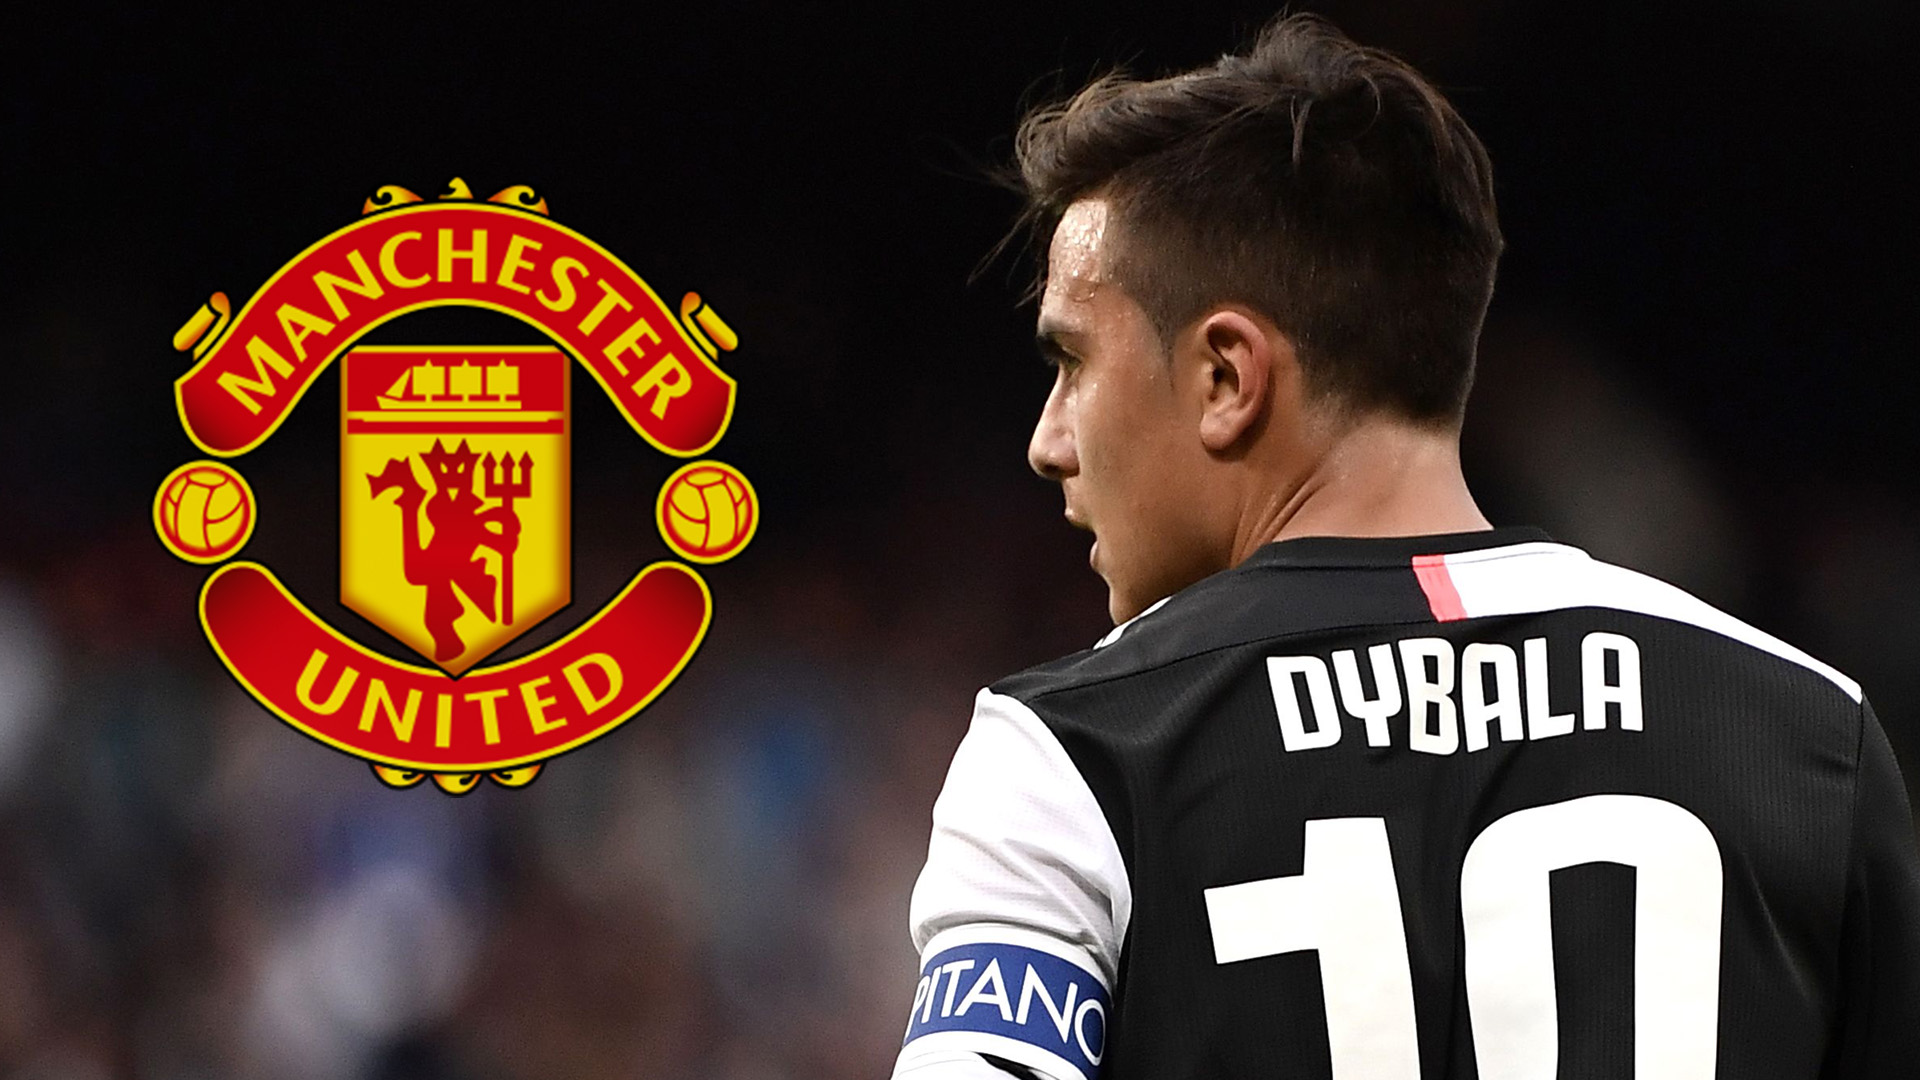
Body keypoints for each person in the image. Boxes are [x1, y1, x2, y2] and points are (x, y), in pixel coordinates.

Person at [889, 12, 1920, 1080]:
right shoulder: (1807, 737)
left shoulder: (1074, 758)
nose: (1048, 441)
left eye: (1072, 362)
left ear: (1227, 378)